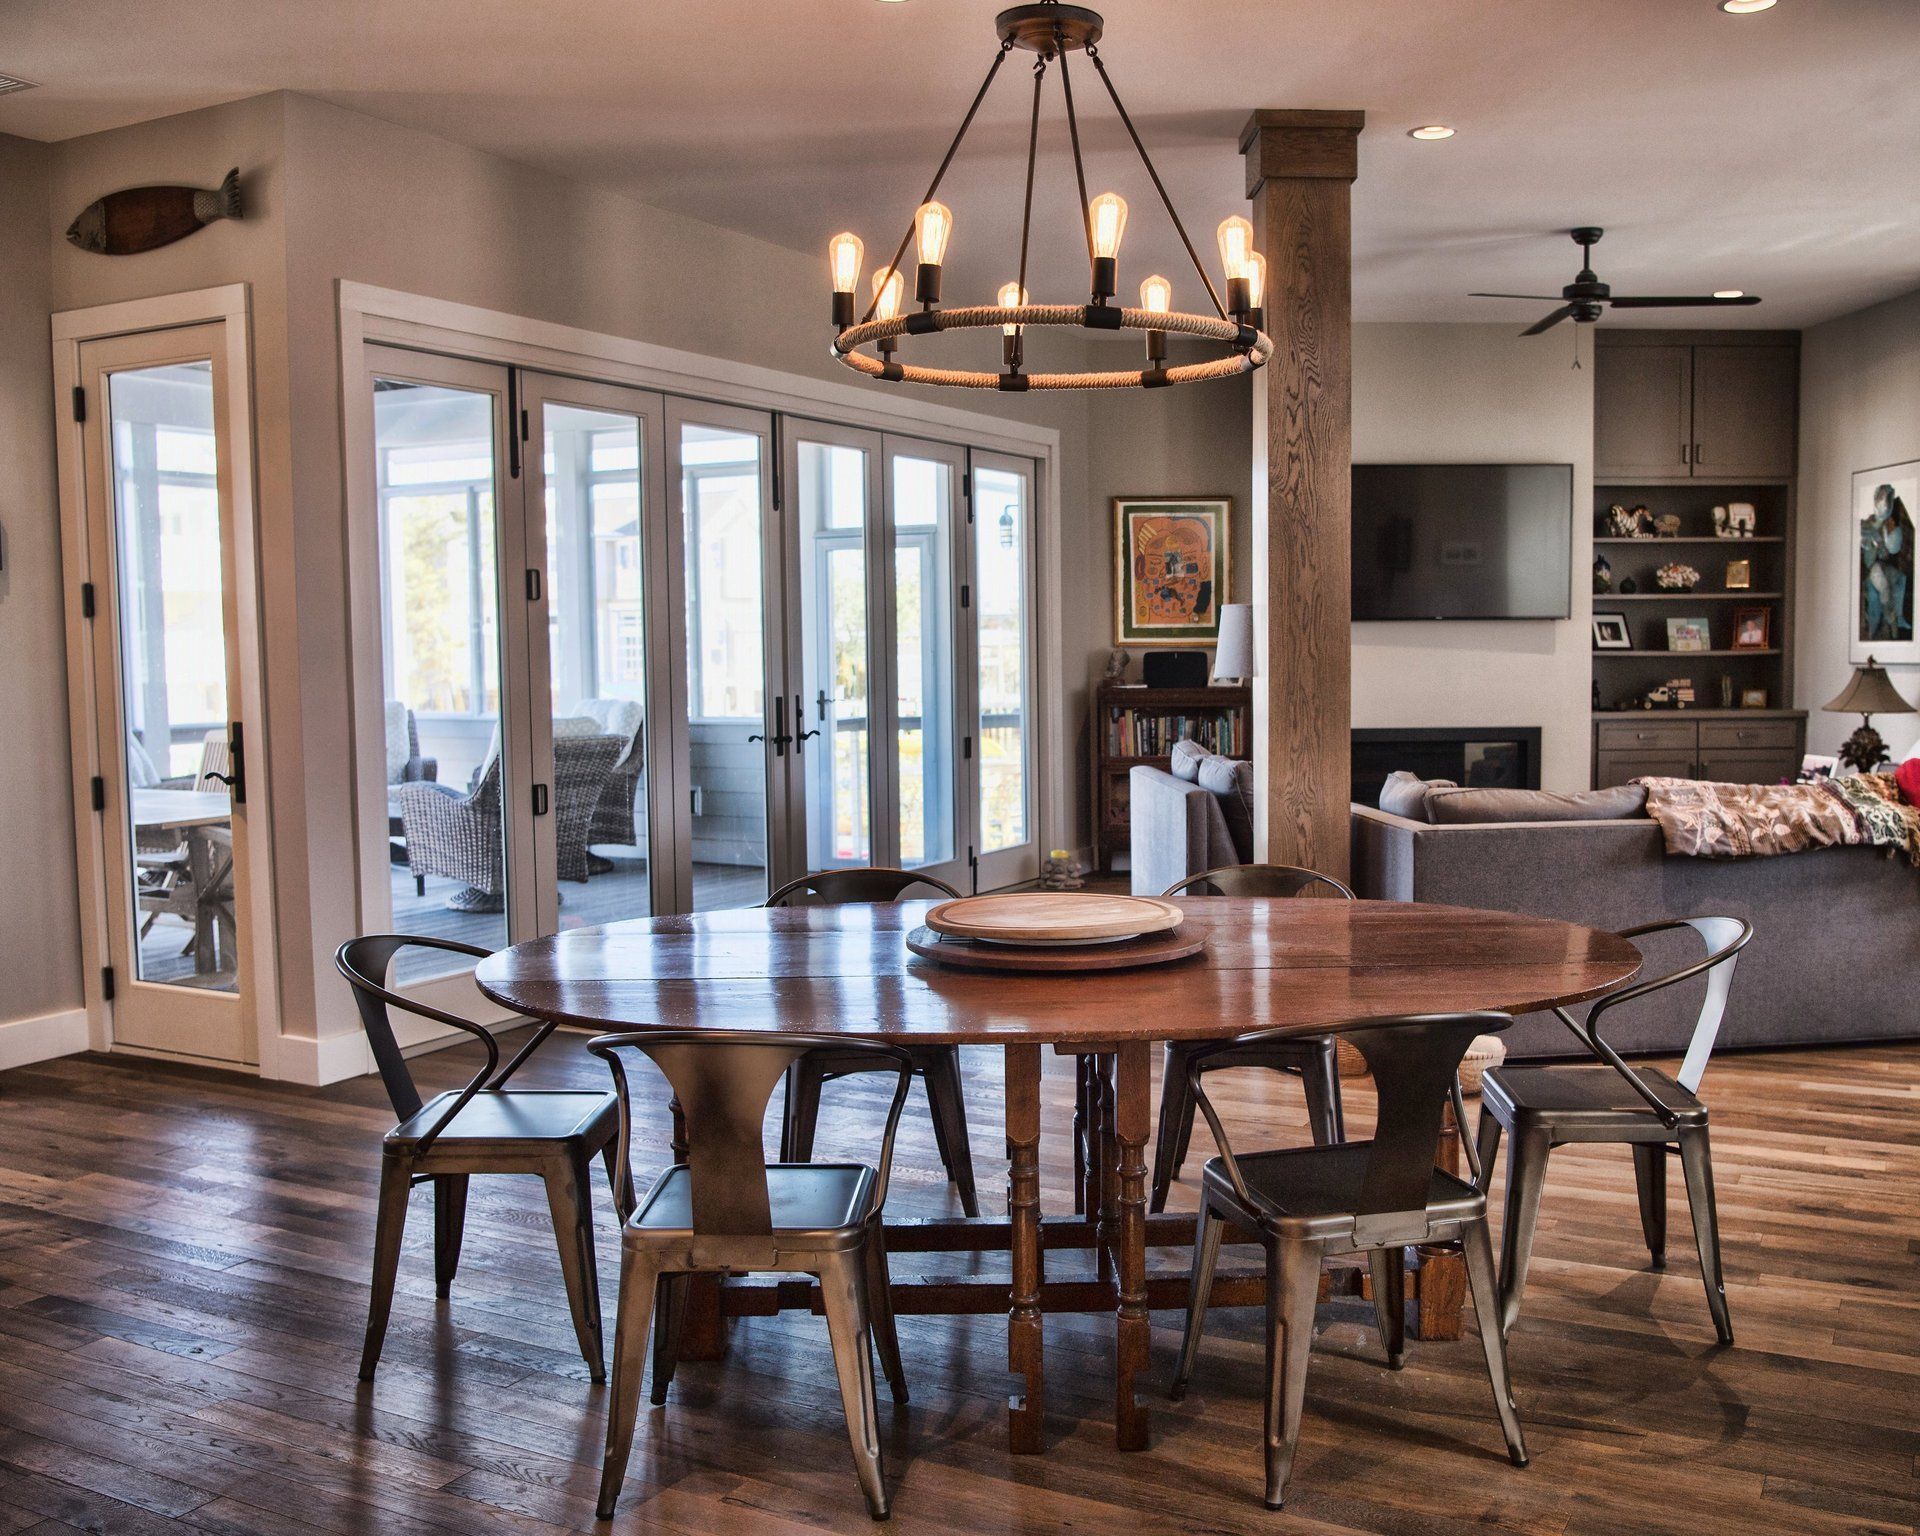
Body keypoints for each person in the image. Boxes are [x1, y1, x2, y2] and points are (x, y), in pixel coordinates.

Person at [1861, 483, 1914, 642]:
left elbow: (1893, 548)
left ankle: (1897, 617)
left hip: (1884, 564)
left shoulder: (1890, 523)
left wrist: (1889, 533)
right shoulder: (1869, 522)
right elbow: (1867, 552)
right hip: (1873, 567)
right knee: (1883, 586)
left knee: (1900, 579)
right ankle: (1890, 620)